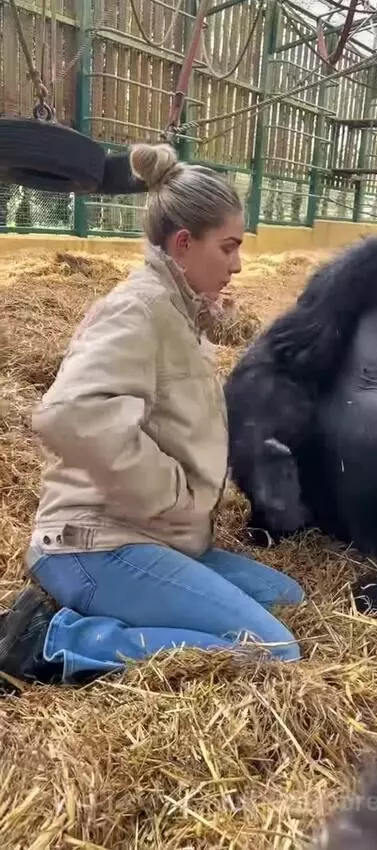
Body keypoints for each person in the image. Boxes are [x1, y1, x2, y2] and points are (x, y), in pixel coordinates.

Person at [0, 143, 304, 689]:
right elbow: (69, 414)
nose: (238, 264)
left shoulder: (177, 307)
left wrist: (208, 323)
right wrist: (173, 496)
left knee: (289, 599)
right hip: (94, 542)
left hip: (154, 536)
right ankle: (52, 640)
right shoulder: (140, 308)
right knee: (274, 650)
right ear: (184, 243)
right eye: (229, 248)